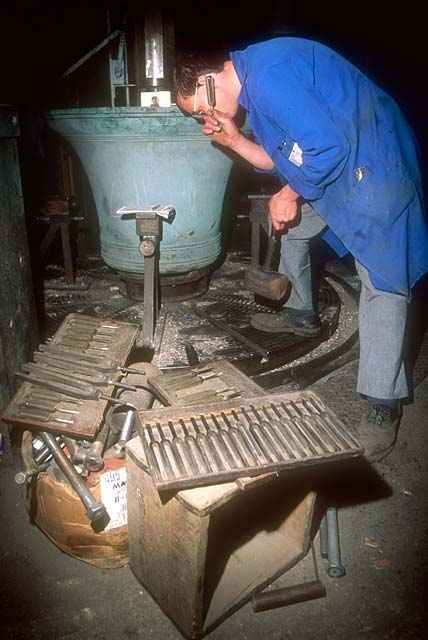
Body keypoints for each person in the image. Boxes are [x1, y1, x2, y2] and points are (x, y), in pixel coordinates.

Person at [174, 37, 428, 462]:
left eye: (200, 107)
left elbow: (328, 148)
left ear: (209, 80)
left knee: (382, 282)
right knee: (293, 229)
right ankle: (301, 315)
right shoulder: (256, 85)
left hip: (373, 164)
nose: (206, 116)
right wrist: (234, 140)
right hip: (338, 169)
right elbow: (279, 160)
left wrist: (288, 195)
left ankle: (382, 404)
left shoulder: (269, 76)